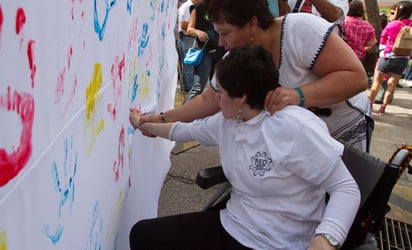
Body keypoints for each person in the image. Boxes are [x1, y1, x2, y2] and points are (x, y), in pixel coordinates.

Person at [129, 45, 360, 250]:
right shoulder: (230, 120)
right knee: (143, 235)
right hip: (234, 223)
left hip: (278, 241)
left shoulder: (295, 127)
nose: (215, 98)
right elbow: (183, 130)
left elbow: (346, 188)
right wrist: (144, 124)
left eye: (220, 91)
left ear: (242, 97)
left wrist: (325, 240)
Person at [141, 0, 372, 152]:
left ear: (251, 23)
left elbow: (356, 78)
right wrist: (160, 119)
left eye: (225, 34)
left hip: (342, 131)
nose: (221, 43)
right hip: (302, 141)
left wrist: (297, 95)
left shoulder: (301, 29)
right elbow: (209, 99)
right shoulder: (238, 54)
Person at [183, 0, 225, 103]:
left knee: (218, 88)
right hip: (204, 51)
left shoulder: (226, 9)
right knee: (198, 87)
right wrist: (198, 32)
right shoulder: (198, 8)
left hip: (221, 51)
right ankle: (182, 114)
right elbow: (189, 29)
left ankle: (209, 118)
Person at [369, 1, 412, 115]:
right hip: (404, 57)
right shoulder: (411, 24)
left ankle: (370, 103)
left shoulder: (393, 24)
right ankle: (383, 107)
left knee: (377, 80)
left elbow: (383, 38)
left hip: (389, 55)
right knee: (392, 83)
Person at [177, 0, 203, 92]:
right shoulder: (187, 7)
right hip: (187, 38)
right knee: (189, 66)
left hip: (188, 38)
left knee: (188, 66)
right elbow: (183, 25)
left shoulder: (191, 6)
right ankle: (189, 90)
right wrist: (197, 25)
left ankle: (187, 88)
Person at [342, 0, 377, 75]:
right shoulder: (367, 25)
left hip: (342, 53)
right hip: (358, 56)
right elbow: (371, 42)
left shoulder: (343, 22)